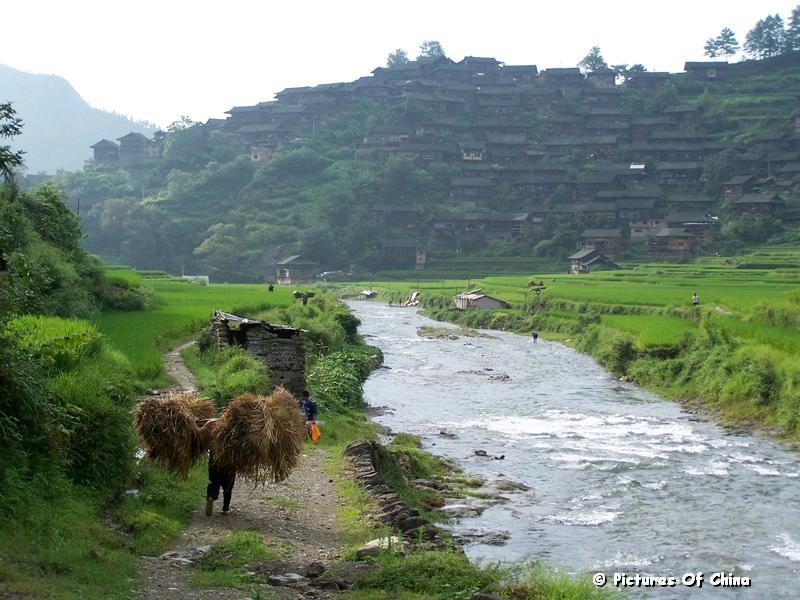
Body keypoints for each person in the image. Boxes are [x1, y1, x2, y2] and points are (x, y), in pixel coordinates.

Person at [197, 418, 236, 517]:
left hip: (214, 459)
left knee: (214, 482)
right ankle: (225, 509)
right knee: (228, 487)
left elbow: (199, 429)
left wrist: (197, 422)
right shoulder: (234, 427)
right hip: (229, 461)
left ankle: (211, 497)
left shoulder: (212, 424)